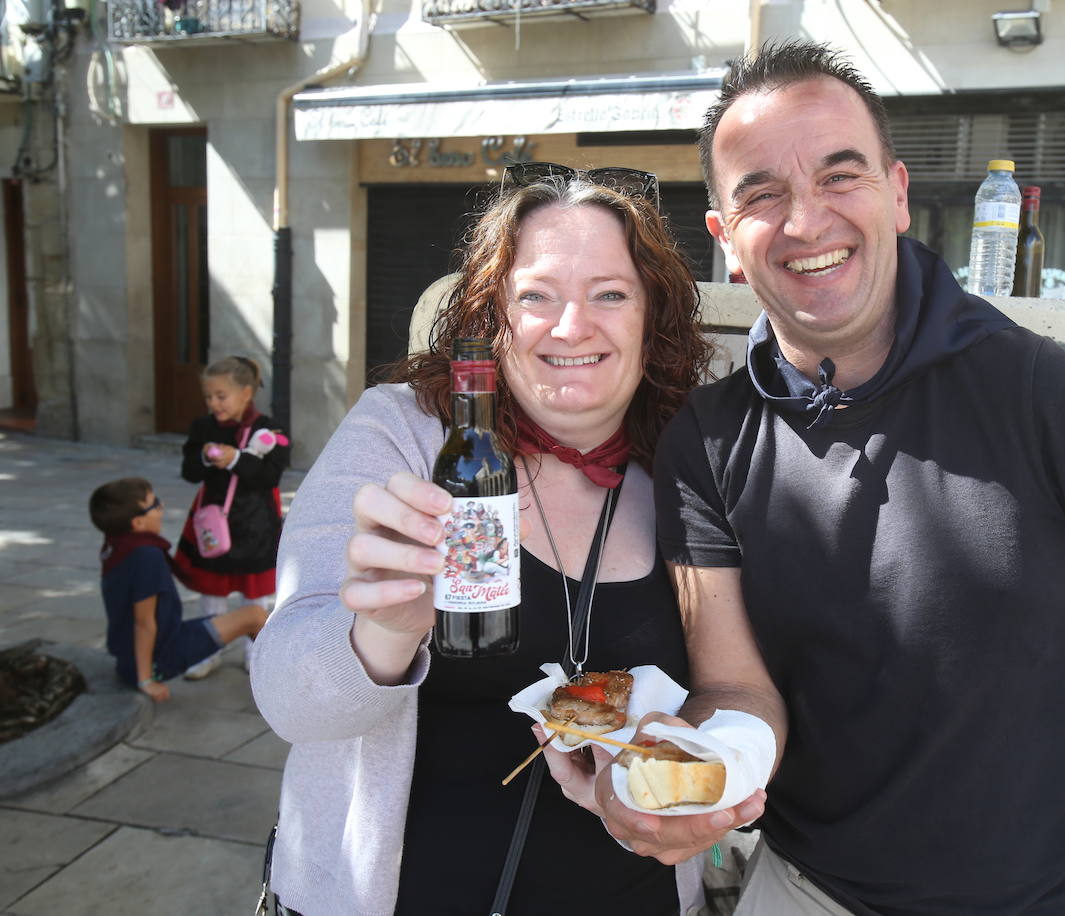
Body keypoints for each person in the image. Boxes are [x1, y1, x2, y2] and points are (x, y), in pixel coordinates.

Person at [581, 41, 1065, 916]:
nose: (806, 222)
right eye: (763, 194)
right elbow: (737, 688)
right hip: (803, 892)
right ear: (727, 238)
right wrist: (689, 775)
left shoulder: (1039, 393)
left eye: (839, 176)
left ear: (897, 194)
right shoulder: (709, 436)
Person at [249, 169, 715, 915]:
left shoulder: (691, 464)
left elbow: (737, 688)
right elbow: (291, 705)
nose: (571, 327)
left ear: (651, 315)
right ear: (492, 314)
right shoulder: (402, 434)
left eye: (610, 293)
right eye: (536, 295)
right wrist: (381, 632)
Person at [89, 477, 266, 702]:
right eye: (154, 504)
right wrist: (146, 680)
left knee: (236, 618)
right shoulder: (146, 556)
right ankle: (291, 675)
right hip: (160, 656)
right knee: (255, 616)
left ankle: (270, 667)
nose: (161, 507)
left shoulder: (115, 546)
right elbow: (144, 623)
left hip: (132, 655)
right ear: (138, 524)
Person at [173, 355, 288, 677]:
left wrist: (237, 458)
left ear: (246, 393)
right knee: (212, 591)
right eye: (209, 397)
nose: (214, 403)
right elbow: (188, 472)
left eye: (221, 396)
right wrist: (207, 458)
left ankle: (256, 653)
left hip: (255, 524)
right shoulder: (203, 428)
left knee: (256, 594)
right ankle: (208, 651)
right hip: (213, 521)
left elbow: (270, 476)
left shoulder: (269, 429)